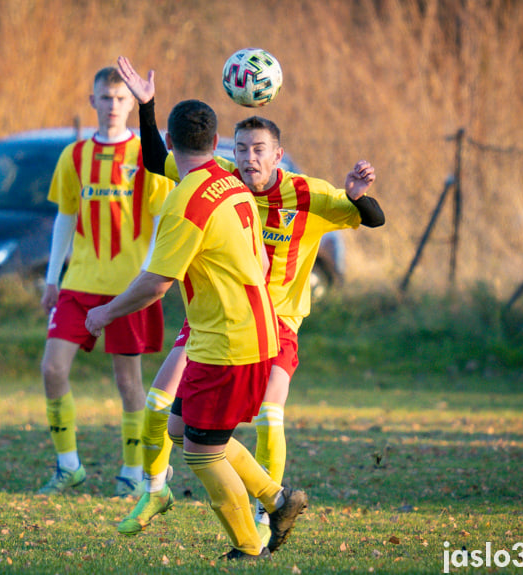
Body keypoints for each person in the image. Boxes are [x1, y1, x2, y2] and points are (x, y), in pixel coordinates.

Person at [113, 56, 384, 545]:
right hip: (213, 318)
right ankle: (173, 490)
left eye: (259, 149)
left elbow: (373, 218)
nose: (249, 158)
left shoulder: (308, 194)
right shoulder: (220, 180)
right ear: (226, 150)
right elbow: (158, 160)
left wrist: (357, 194)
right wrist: (148, 106)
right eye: (241, 149)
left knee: (261, 418)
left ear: (278, 155)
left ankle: (262, 523)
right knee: (173, 422)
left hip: (275, 321)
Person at [85, 99, 308, 561]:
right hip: (240, 332)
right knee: (181, 428)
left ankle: (249, 547)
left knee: (203, 454)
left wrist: (104, 314)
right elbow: (262, 260)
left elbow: (155, 283)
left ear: (171, 143)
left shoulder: (184, 203)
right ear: (215, 143)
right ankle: (279, 499)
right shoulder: (232, 180)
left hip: (230, 342)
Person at [37, 66, 173, 497]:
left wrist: (147, 276)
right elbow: (65, 216)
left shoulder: (146, 156)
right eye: (105, 98)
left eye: (120, 99)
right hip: (78, 283)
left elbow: (157, 222)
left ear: (131, 103)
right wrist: (52, 276)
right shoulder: (74, 156)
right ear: (91, 100)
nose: (113, 106)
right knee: (52, 369)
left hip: (126, 288)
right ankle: (68, 466)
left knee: (128, 382)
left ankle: (133, 473)